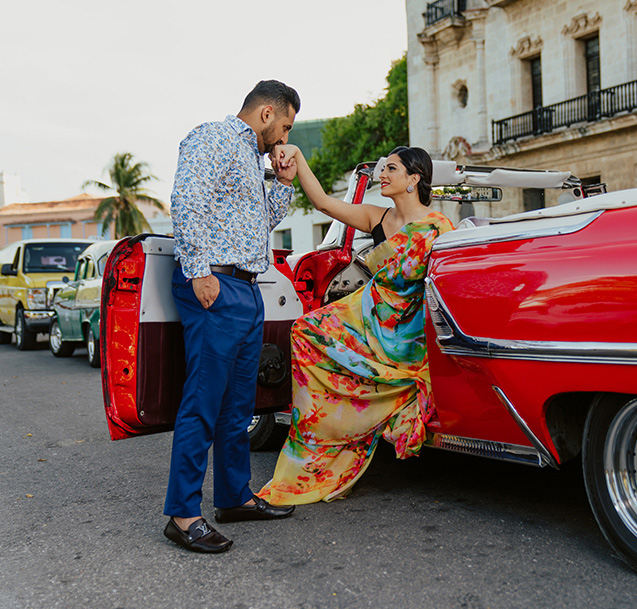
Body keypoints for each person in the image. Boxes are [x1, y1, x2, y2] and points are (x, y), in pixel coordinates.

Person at [257, 144, 454, 505]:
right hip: (370, 315)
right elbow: (323, 204)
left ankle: (381, 399)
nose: (383, 174)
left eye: (391, 169)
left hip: (409, 332)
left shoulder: (438, 227)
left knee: (311, 331)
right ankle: (328, 432)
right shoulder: (376, 217)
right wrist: (298, 157)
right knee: (305, 332)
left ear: (414, 178)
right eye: (383, 168)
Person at [164, 80, 301, 554]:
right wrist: (199, 271)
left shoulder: (253, 160)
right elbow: (187, 201)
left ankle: (234, 497)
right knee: (202, 404)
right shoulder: (213, 137)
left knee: (239, 408)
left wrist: (283, 182)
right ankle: (182, 515)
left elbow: (258, 225)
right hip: (215, 284)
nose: (284, 138)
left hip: (246, 288)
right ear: (266, 114)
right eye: (285, 127)